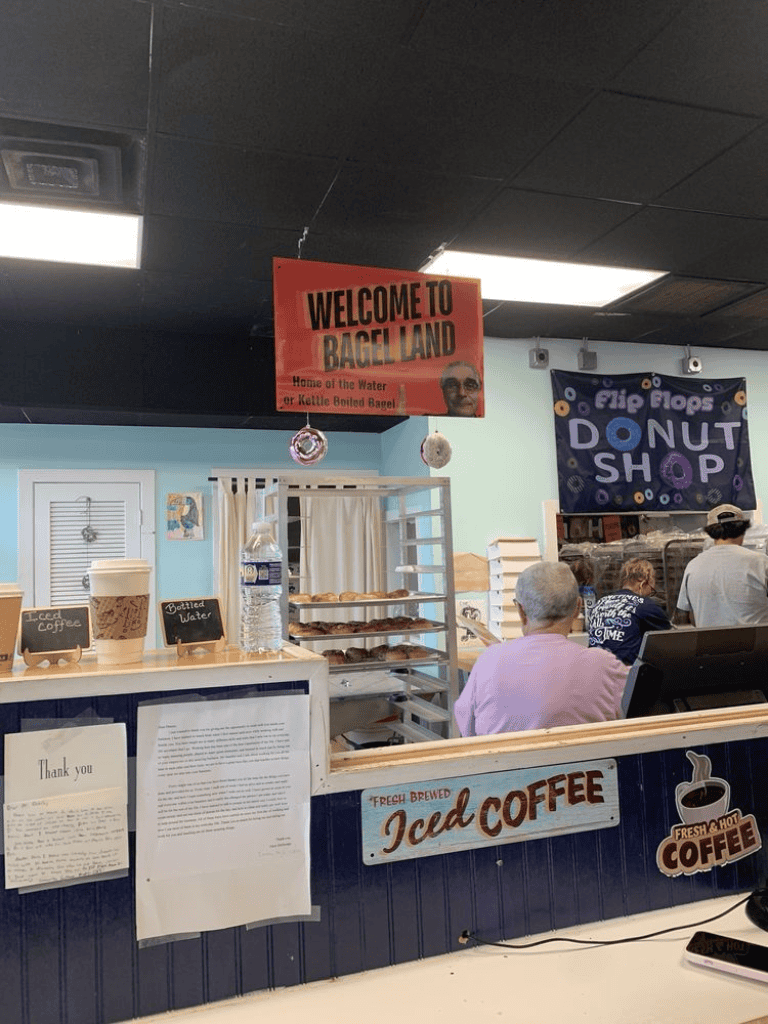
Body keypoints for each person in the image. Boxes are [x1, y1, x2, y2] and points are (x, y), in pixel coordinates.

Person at [454, 561, 628, 735]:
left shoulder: (488, 661)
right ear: (577, 608)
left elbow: (467, 730)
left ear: (521, 612)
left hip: (505, 762)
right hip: (589, 762)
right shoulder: (605, 665)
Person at [676, 504, 768, 627]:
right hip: (756, 645)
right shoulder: (761, 563)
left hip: (709, 644)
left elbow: (691, 617)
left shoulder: (693, 566)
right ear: (742, 530)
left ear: (711, 532)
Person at [588, 558, 671, 665]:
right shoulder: (644, 605)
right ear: (643, 583)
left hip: (595, 671)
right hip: (624, 675)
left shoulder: (599, 603)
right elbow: (669, 638)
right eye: (651, 590)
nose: (649, 594)